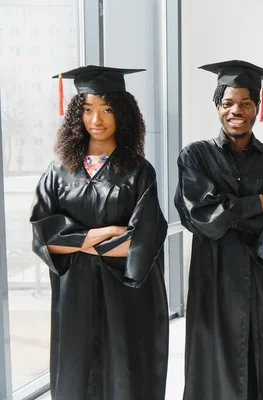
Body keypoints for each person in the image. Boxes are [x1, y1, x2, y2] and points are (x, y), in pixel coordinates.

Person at [30, 66, 169, 399]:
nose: (97, 119)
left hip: (125, 295)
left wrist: (75, 242)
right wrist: (103, 234)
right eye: (88, 109)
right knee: (77, 373)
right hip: (74, 295)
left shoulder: (138, 171)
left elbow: (143, 239)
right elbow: (43, 239)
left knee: (126, 373)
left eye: (107, 109)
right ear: (77, 115)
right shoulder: (59, 171)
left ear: (122, 114)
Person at [174, 60, 263, 400]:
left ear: (257, 107)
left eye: (245, 102)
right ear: (217, 107)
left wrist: (230, 216)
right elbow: (201, 216)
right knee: (213, 364)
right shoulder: (195, 157)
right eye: (228, 103)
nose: (236, 110)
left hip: (262, 275)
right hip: (212, 276)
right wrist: (257, 204)